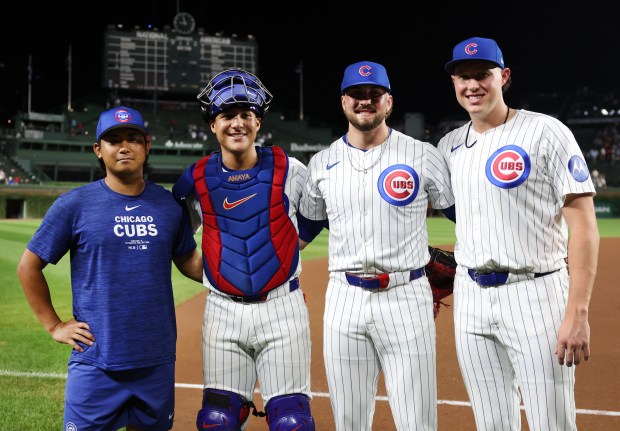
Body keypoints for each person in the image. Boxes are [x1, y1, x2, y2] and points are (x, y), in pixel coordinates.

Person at [437, 36, 600, 430]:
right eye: (463, 77)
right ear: (454, 83)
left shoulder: (546, 132)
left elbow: (584, 225)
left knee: (551, 420)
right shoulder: (448, 146)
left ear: (503, 77)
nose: (472, 85)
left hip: (536, 294)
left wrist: (577, 312)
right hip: (472, 299)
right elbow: (468, 214)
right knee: (491, 421)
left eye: (482, 75)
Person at [16, 106, 204, 431]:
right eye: (113, 140)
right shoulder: (74, 205)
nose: (124, 146)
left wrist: (241, 277)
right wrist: (54, 326)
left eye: (133, 138)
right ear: (98, 150)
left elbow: (189, 261)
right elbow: (28, 266)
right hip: (96, 361)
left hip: (155, 359)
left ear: (147, 145)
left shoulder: (169, 206)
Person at [298, 61, 455, 430]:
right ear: (343, 101)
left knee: (417, 419)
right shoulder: (322, 164)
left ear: (388, 101)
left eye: (373, 95)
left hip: (406, 296)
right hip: (344, 299)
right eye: (357, 94)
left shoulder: (423, 155)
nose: (365, 101)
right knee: (349, 420)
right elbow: (302, 232)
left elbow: (464, 217)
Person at [172, 69, 320, 430]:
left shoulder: (290, 168)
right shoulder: (195, 177)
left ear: (258, 122)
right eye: (227, 116)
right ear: (212, 125)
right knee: (217, 420)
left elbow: (315, 217)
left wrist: (288, 249)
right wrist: (210, 274)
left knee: (292, 423)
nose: (237, 123)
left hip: (282, 308)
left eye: (246, 115)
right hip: (222, 311)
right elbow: (179, 240)